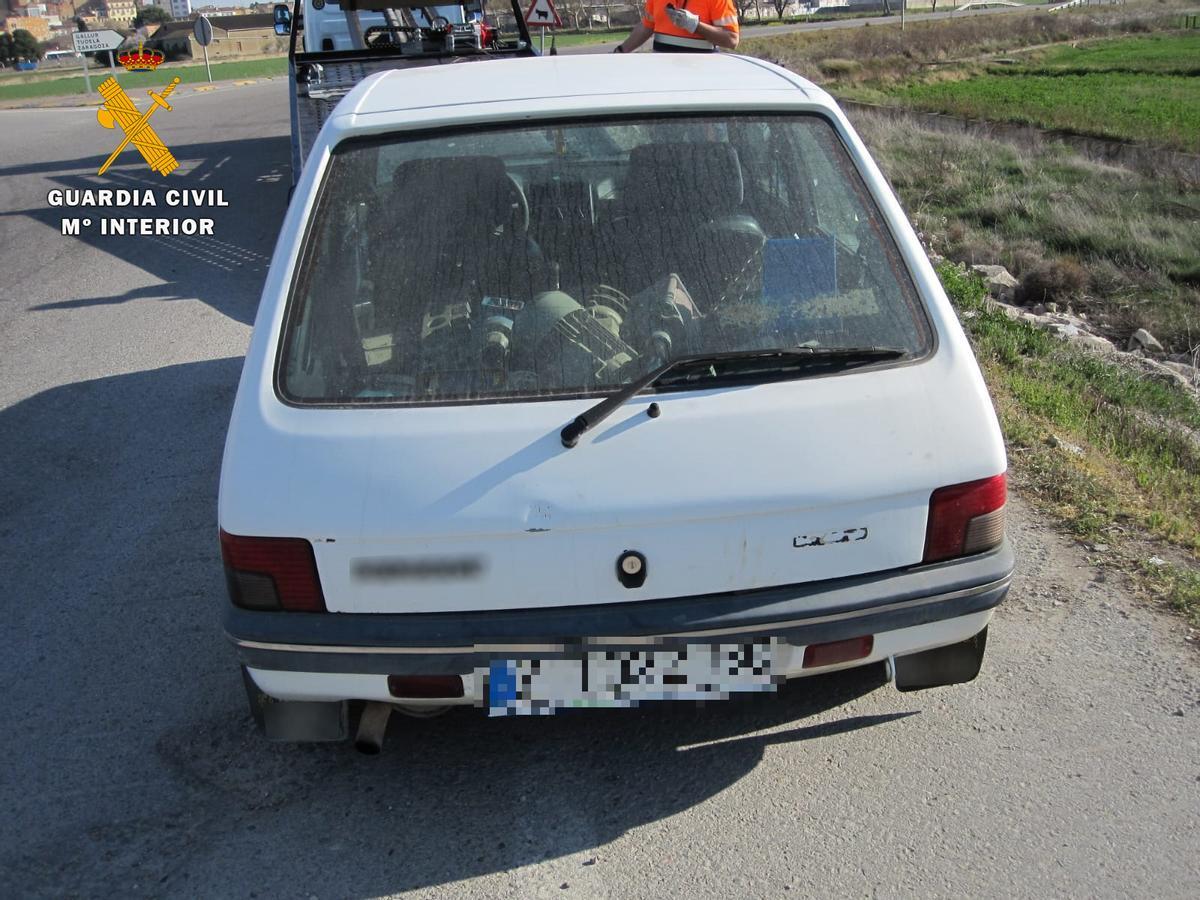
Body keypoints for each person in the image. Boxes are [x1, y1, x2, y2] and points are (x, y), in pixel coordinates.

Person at [613, 0, 740, 54]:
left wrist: (695, 25)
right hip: (664, 76)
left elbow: (732, 40)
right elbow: (646, 26)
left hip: (701, 78)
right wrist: (620, 51)